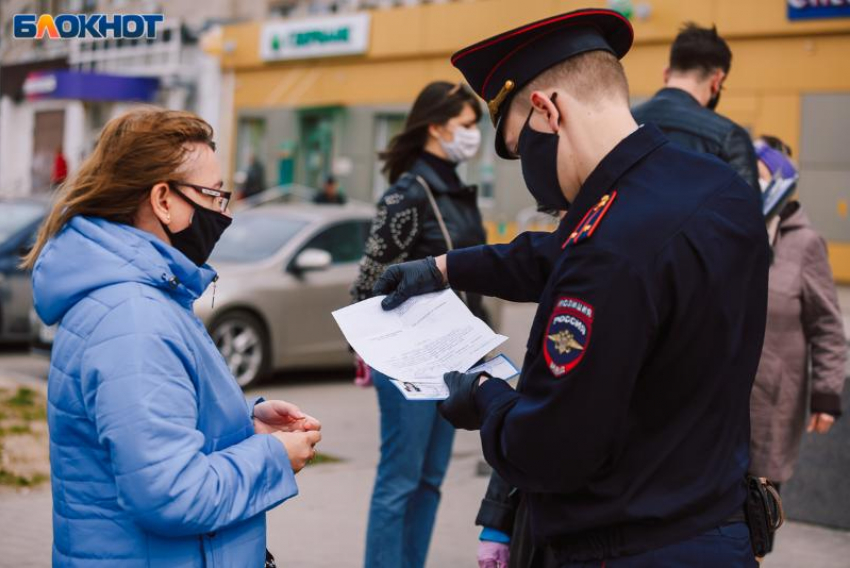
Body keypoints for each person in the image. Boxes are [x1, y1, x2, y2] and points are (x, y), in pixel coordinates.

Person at [373, 8, 769, 567]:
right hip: (717, 527)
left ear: (547, 111)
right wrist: (444, 268)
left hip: (624, 545)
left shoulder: (612, 245)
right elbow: (559, 252)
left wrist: (486, 399)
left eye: (518, 148)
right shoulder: (717, 189)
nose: (525, 170)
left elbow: (550, 450)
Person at [22, 108, 322, 567]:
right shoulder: (132, 320)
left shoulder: (142, 297)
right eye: (213, 195)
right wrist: (273, 457)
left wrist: (247, 425)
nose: (221, 214)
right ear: (163, 199)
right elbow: (172, 493)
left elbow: (145, 426)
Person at [350, 80, 488, 568]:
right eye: (467, 126)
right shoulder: (407, 194)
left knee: (430, 479)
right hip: (406, 359)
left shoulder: (458, 191)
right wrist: (374, 354)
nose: (475, 135)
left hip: (454, 357)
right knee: (401, 480)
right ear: (435, 127)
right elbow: (367, 283)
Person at [748, 135, 846, 554]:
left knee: (755, 517)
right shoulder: (730, 230)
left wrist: (826, 394)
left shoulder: (804, 243)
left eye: (760, 173)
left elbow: (827, 325)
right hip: (716, 400)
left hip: (771, 403)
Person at [632, 22, 760, 192]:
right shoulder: (729, 137)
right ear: (717, 81)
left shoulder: (626, 121)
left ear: (666, 73)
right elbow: (746, 214)